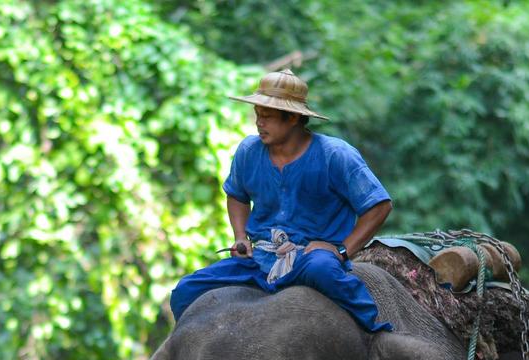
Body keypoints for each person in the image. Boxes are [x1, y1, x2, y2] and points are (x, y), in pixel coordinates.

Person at [169, 69, 395, 332]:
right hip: (260, 260)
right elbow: (236, 195)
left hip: (311, 259)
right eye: (257, 115)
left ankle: (375, 333)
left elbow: (379, 205)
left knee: (324, 270)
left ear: (293, 118)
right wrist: (240, 236)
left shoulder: (335, 155)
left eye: (267, 117)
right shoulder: (248, 152)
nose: (258, 123)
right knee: (186, 290)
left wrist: (343, 249)